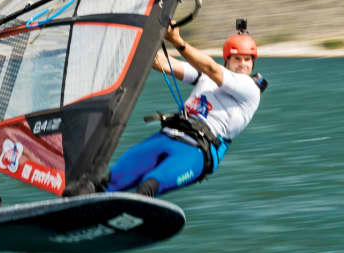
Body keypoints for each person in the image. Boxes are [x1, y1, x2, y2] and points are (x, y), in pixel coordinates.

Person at [103, 21, 266, 197]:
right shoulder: (206, 77)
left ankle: (133, 212)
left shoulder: (250, 89)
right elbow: (162, 63)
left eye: (247, 59)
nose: (243, 64)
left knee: (149, 185)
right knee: (110, 182)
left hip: (195, 150)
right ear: (227, 60)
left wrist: (177, 41)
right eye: (237, 59)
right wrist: (137, 36)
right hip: (166, 136)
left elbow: (211, 68)